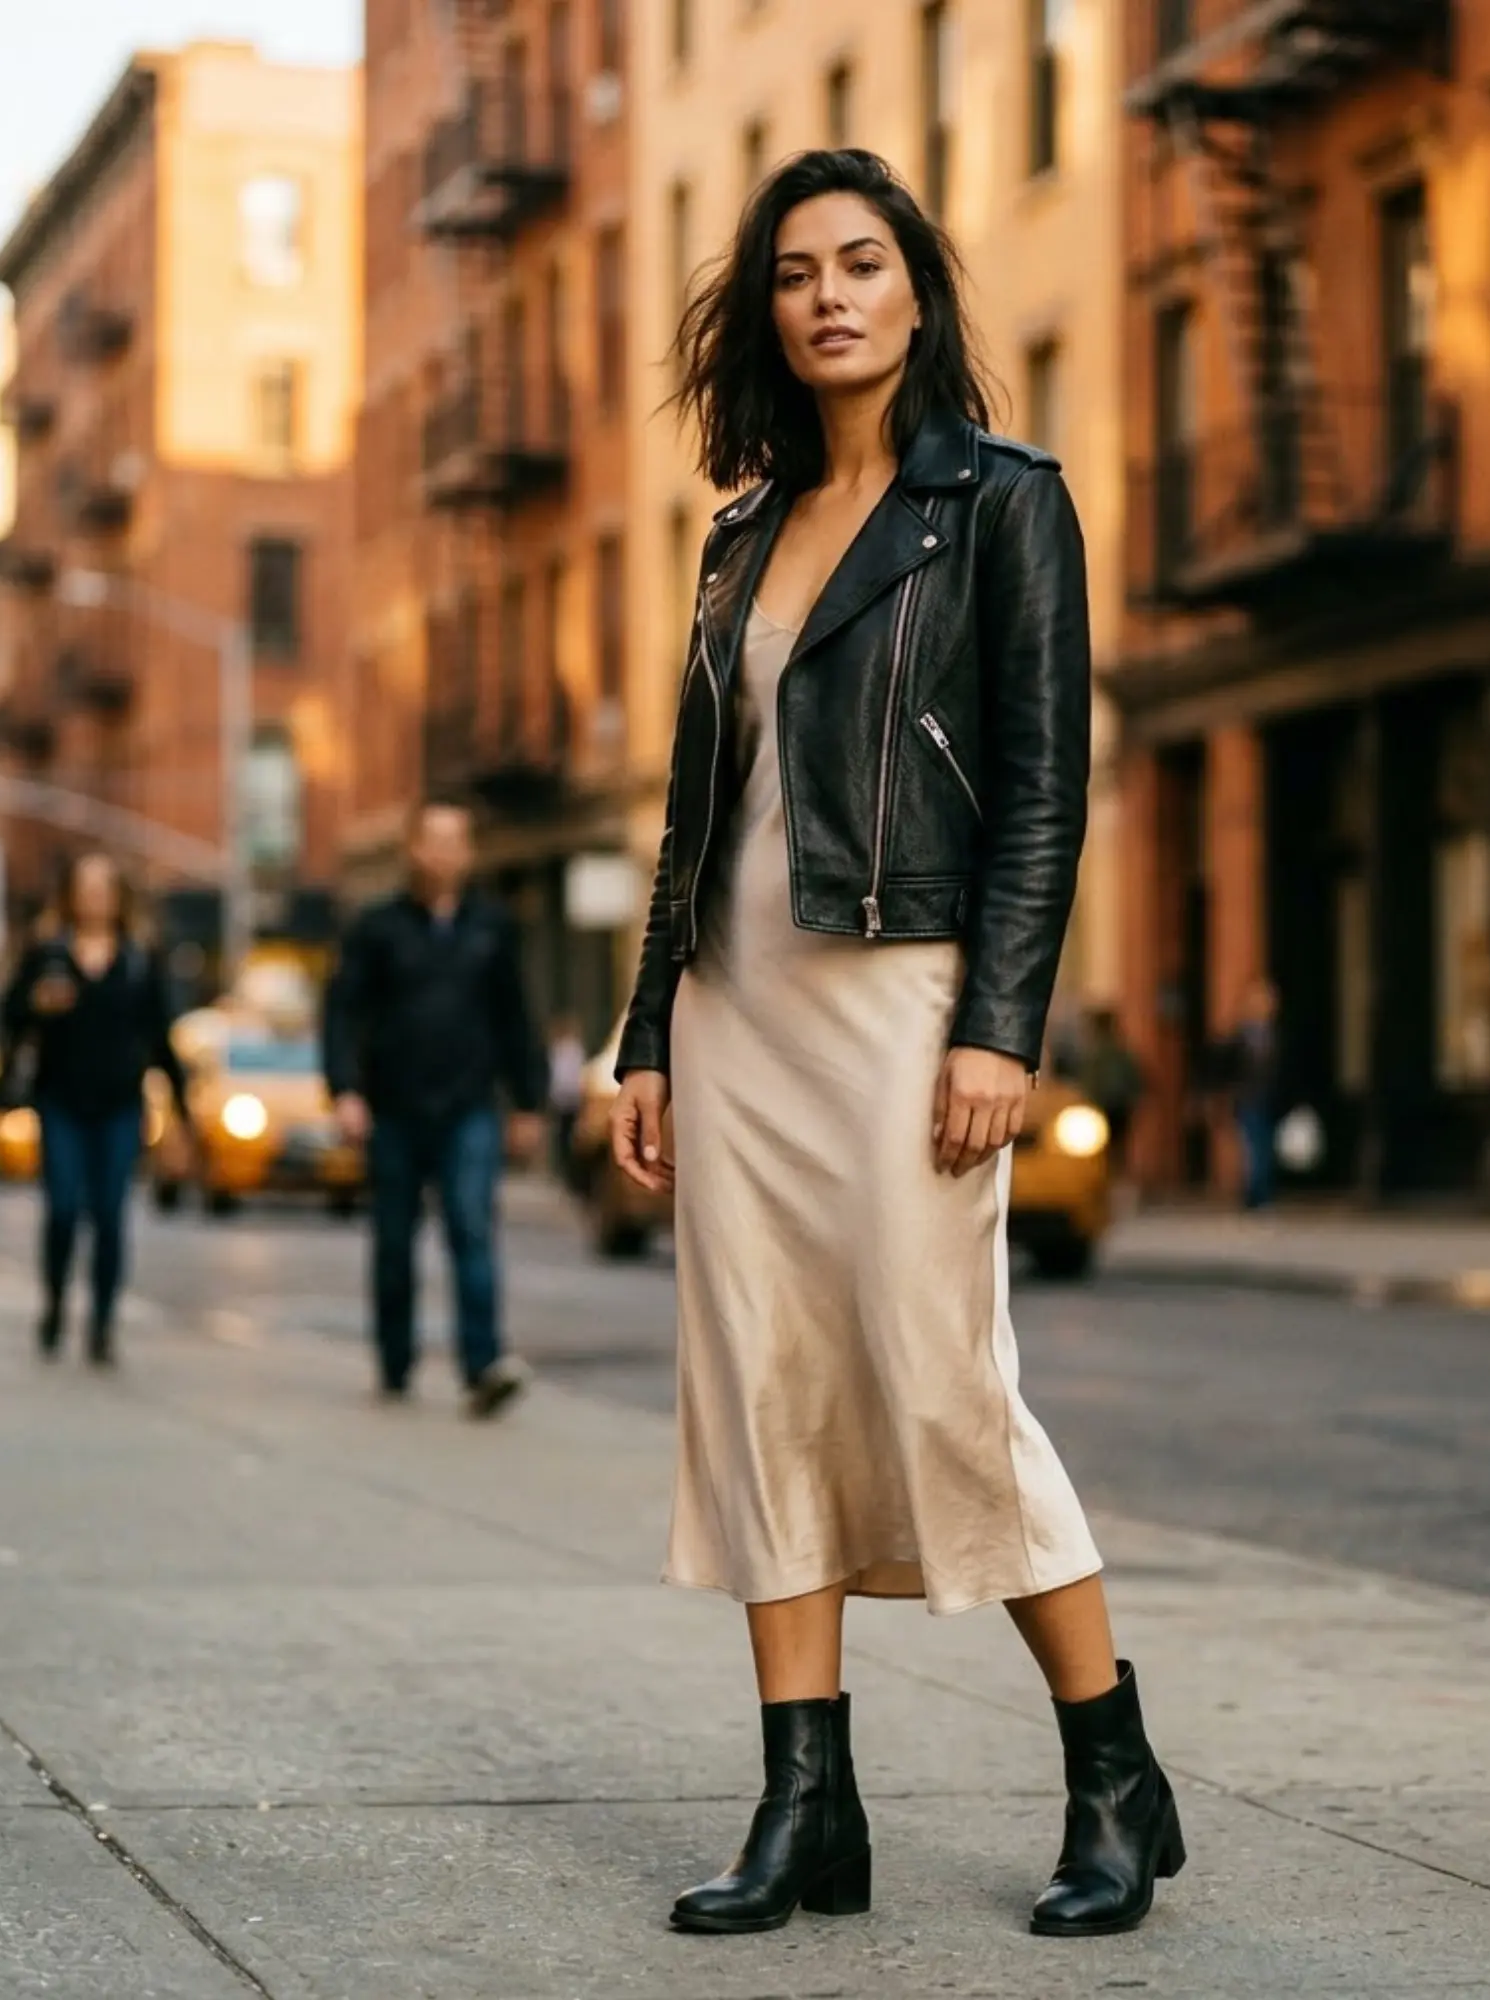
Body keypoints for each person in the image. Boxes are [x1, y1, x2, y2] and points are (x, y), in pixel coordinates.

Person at [608, 149, 1181, 1940]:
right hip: (740, 1008)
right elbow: (697, 815)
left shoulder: (1005, 502)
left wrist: (1002, 1025)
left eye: (863, 263)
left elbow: (1042, 786)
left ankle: (1114, 1775)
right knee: (761, 1389)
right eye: (795, 272)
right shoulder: (738, 531)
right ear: (767, 313)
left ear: (919, 291)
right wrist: (645, 1033)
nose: (830, 295)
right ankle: (805, 1806)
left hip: (906, 995)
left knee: (943, 1386)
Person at [322, 798, 549, 1416]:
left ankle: (482, 1366)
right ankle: (395, 1361)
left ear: (469, 852)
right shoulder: (377, 928)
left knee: (472, 1229)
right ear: (413, 850)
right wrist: (345, 1090)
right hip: (393, 1108)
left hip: (468, 1106)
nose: (446, 853)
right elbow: (343, 1012)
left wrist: (528, 1101)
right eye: (435, 840)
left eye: (458, 841)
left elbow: (515, 1018)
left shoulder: (492, 928)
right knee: (395, 1243)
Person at [0, 853, 193, 1364]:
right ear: (71, 896)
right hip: (60, 1100)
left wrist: (182, 1112)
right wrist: (35, 1003)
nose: (94, 898)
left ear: (118, 898)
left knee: (110, 1214)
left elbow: (161, 1038)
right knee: (63, 1209)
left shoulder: (137, 959)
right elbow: (9, 1016)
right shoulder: (48, 954)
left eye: (104, 888)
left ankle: (103, 1321)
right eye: (85, 888)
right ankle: (57, 1302)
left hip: (120, 1105)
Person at [1220, 977, 1282, 1211]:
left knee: (1266, 1148)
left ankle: (1260, 1193)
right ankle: (1257, 1196)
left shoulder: (1277, 1036)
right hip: (1247, 1101)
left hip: (1271, 1100)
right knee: (1254, 1149)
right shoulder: (1238, 1037)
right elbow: (1224, 1068)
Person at [1078, 1007, 1146, 1175]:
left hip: (1107, 1105)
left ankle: (1109, 1179)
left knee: (1109, 1146)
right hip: (1111, 1105)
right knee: (1113, 1147)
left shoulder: (1101, 1054)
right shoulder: (1115, 1052)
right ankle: (1110, 1178)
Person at [545, 1012, 587, 1182]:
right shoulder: (561, 1049)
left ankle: (567, 1167)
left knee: (567, 1134)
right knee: (561, 1135)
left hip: (569, 1098)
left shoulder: (572, 1050)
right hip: (563, 1098)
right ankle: (561, 1166)